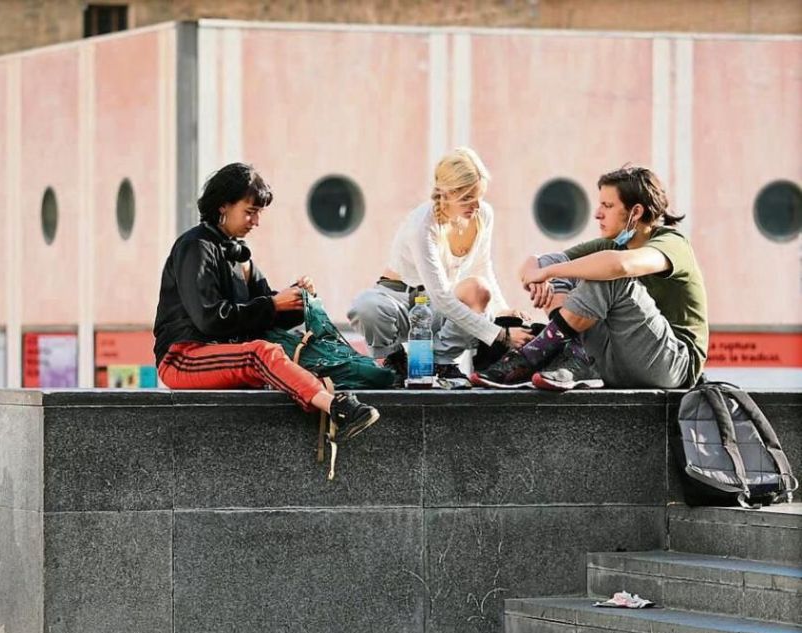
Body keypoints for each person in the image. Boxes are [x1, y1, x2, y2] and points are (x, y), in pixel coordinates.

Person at [153, 162, 380, 441]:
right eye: (250, 212)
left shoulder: (240, 256)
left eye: (258, 213)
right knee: (260, 352)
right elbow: (209, 319)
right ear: (223, 206)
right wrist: (274, 304)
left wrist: (295, 299)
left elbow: (264, 313)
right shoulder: (196, 247)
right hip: (182, 358)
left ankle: (340, 398)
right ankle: (337, 408)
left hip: (222, 355)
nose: (256, 222)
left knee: (278, 352)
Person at [472, 165, 708, 390]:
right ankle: (570, 351)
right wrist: (537, 272)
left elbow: (621, 266)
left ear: (635, 212)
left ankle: (534, 354)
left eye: (607, 205)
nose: (597, 214)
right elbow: (542, 263)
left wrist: (547, 273)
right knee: (576, 269)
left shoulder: (674, 244)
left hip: (672, 365)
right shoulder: (613, 244)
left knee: (608, 275)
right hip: (613, 360)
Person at [347, 147, 532, 385]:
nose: (475, 205)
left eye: (479, 196)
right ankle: (393, 360)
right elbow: (443, 296)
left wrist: (501, 310)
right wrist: (501, 335)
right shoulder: (422, 224)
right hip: (400, 303)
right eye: (466, 198)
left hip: (436, 308)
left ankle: (441, 362)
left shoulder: (483, 214)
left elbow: (482, 267)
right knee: (366, 305)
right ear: (445, 193)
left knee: (478, 288)